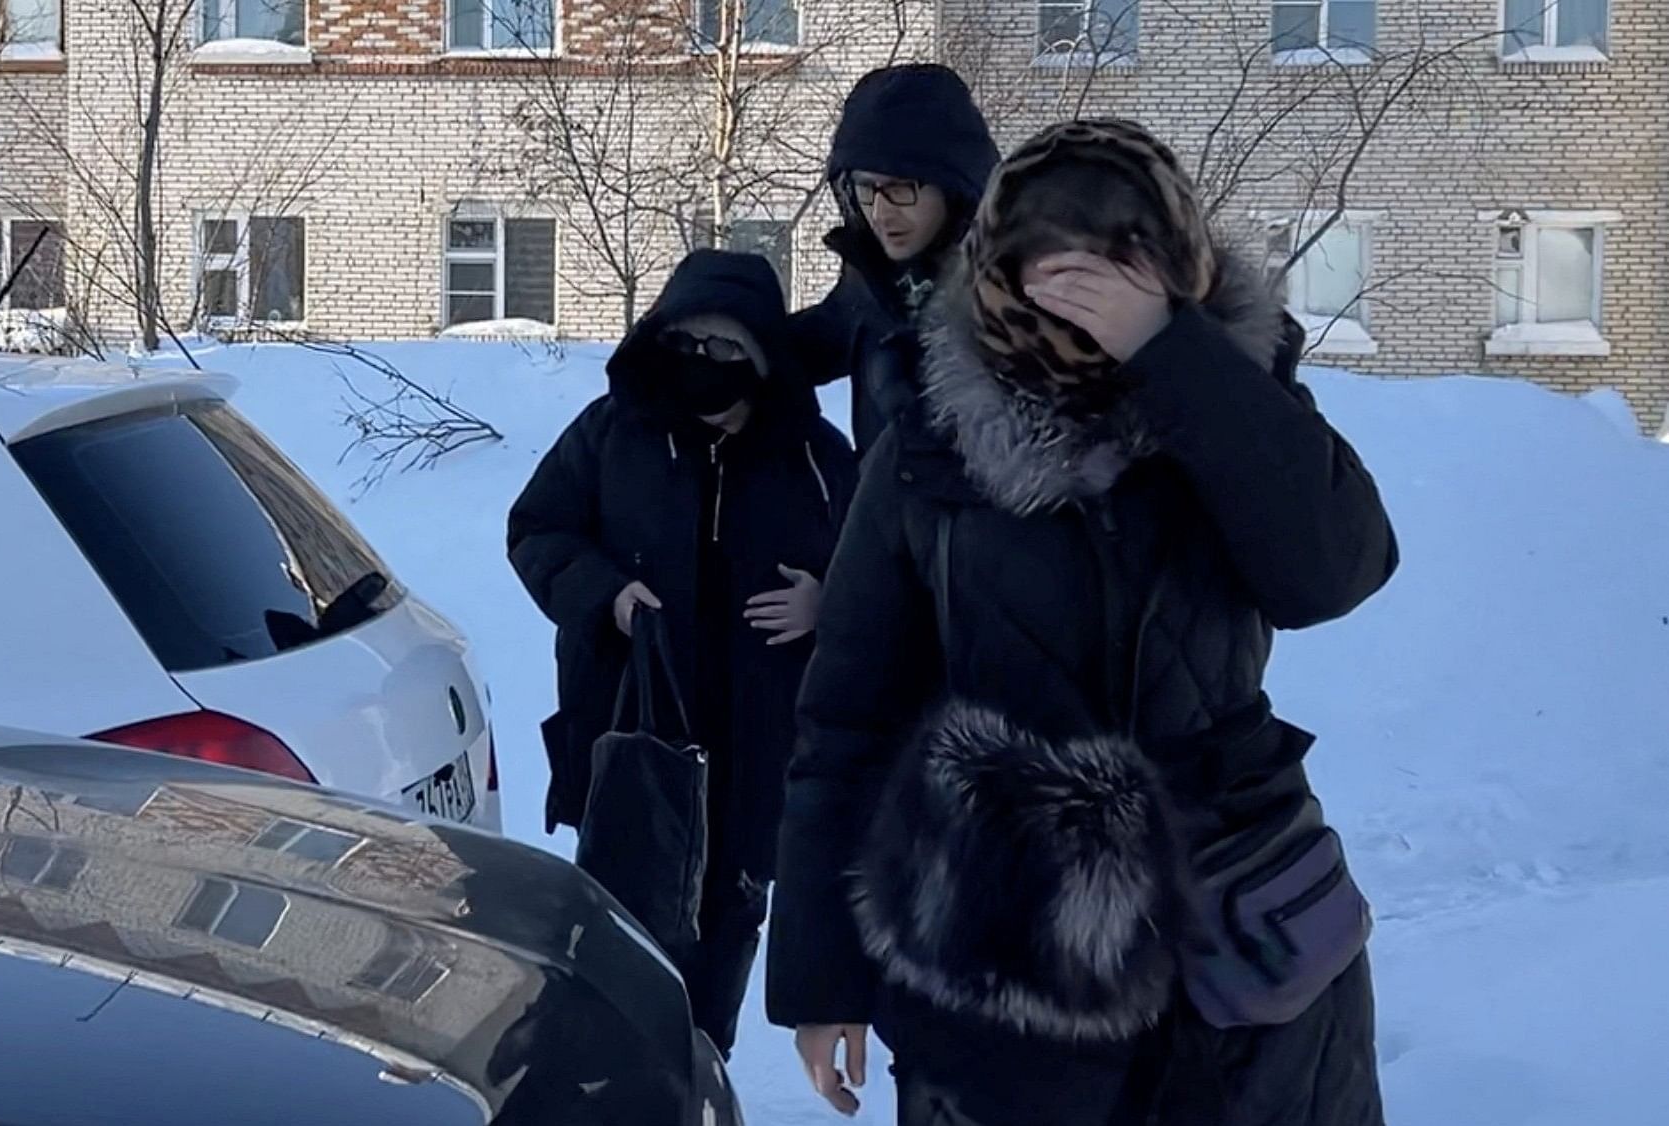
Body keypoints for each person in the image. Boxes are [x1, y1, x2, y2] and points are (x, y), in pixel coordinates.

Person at [767, 119, 1399, 1125]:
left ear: (1172, 264)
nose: (1076, 295)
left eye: (1115, 259)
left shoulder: (1235, 403)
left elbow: (1331, 574)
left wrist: (1173, 355)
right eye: (1045, 263)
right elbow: (846, 717)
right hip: (998, 956)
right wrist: (818, 978)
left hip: (1239, 941)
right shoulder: (931, 444)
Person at [509, 249, 858, 1057]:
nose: (705, 364)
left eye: (728, 349)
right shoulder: (613, 433)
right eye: (690, 344)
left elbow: (889, 575)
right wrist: (606, 596)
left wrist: (826, 603)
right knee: (614, 961)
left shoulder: (815, 458)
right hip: (633, 735)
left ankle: (699, 1081)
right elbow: (537, 528)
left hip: (757, 752)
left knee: (722, 943)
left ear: (764, 358)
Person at [790, 63, 1000, 457]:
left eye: (902, 188)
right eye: (866, 189)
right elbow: (801, 348)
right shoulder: (873, 280)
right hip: (885, 515)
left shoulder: (1013, 291)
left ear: (954, 188)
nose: (882, 213)